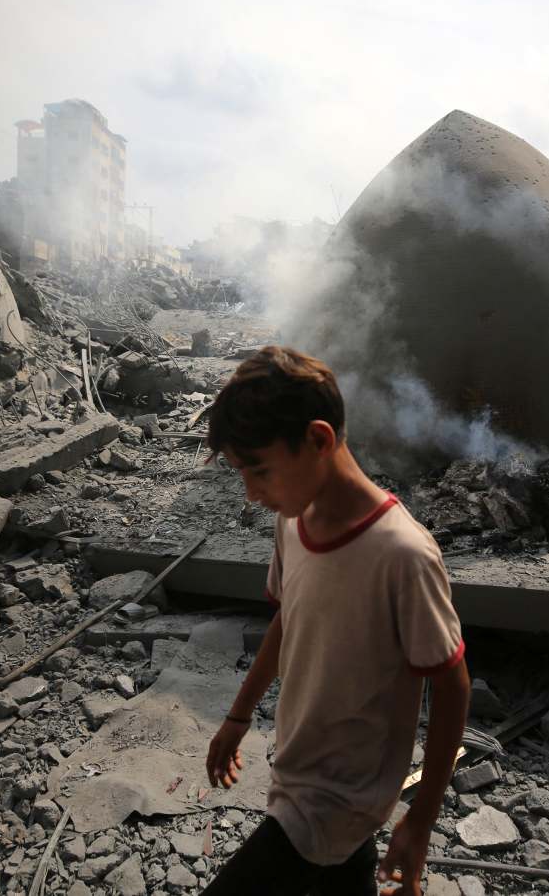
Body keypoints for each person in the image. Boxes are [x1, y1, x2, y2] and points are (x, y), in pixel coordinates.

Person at [201, 346, 470, 896]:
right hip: (299, 767)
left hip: (337, 799)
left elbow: (452, 684)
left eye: (260, 471)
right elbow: (288, 622)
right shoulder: (293, 523)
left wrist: (419, 821)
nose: (253, 494)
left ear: (319, 440)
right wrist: (238, 715)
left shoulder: (402, 555)